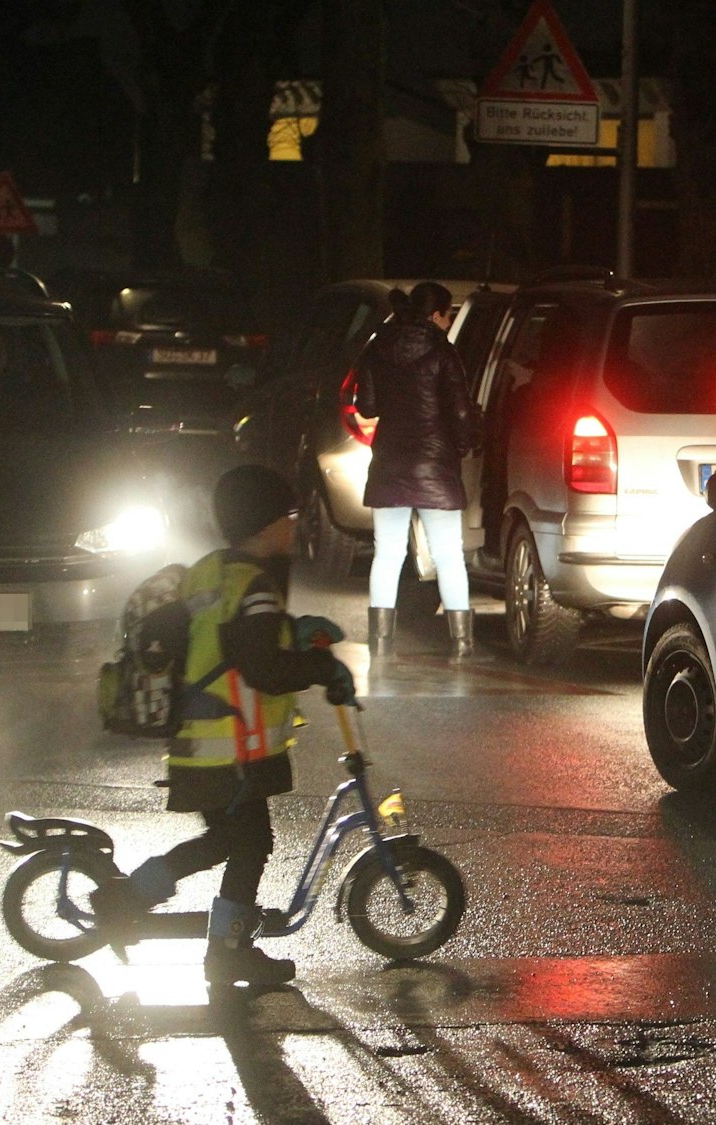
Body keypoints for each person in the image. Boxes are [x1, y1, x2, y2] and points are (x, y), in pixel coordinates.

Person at [90, 463, 356, 989]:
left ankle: (137, 904)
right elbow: (260, 667)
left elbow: (233, 642)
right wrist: (321, 668)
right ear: (265, 522)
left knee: (226, 841)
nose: (294, 526)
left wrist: (295, 633)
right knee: (249, 843)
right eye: (289, 515)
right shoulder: (254, 584)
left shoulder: (214, 569)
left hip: (205, 745)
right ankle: (223, 949)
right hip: (228, 749)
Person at [354, 283, 480, 660]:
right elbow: (460, 410)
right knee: (448, 555)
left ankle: (380, 641)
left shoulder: (377, 347)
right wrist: (463, 445)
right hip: (435, 463)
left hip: (390, 462)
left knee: (388, 554)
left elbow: (368, 406)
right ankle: (461, 643)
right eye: (449, 314)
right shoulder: (444, 352)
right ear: (438, 314)